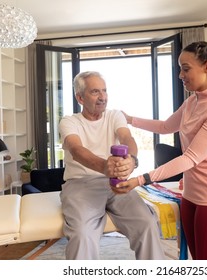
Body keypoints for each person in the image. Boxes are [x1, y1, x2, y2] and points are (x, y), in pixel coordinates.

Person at [114, 41, 207, 260]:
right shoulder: (192, 102)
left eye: (186, 68)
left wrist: (141, 179)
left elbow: (191, 157)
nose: (180, 75)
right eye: (179, 69)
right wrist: (129, 119)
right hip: (191, 198)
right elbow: (165, 126)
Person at [58, 71, 165, 260]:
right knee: (82, 234)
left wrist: (131, 160)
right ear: (80, 97)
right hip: (81, 184)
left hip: (116, 184)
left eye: (105, 91)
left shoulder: (114, 115)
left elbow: (126, 137)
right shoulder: (69, 121)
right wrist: (104, 167)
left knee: (147, 223)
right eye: (95, 92)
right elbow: (76, 149)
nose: (103, 97)